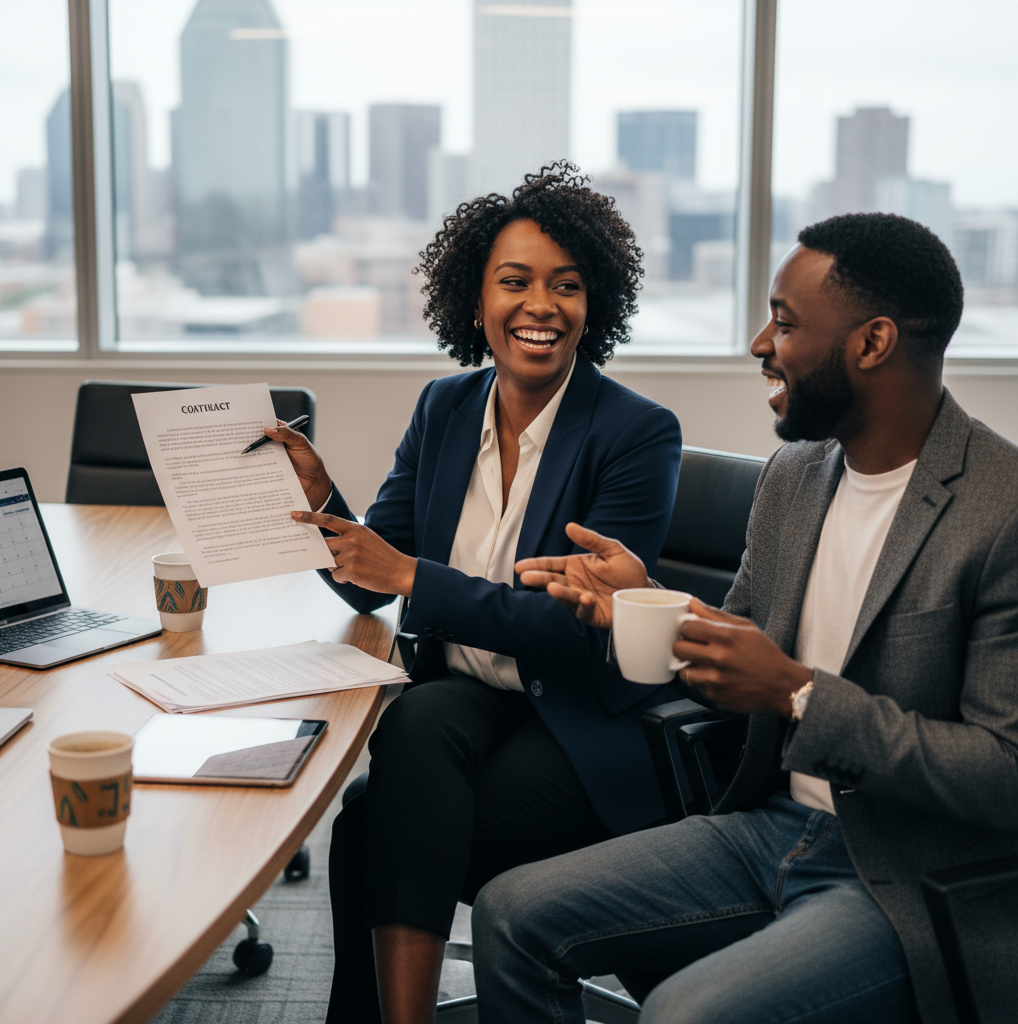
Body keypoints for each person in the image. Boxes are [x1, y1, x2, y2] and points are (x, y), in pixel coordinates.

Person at [471, 212, 1018, 1024]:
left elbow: (1004, 772)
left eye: (786, 322)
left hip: (909, 869)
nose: (761, 343)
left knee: (686, 1013)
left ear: (871, 344)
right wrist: (642, 607)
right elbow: (732, 665)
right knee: (511, 912)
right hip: (771, 826)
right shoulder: (795, 476)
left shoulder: (999, 510)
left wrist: (799, 695)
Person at [269, 163, 682, 1024]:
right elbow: (369, 582)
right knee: (412, 741)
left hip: (571, 718)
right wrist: (316, 501)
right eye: (516, 282)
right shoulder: (445, 408)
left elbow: (581, 633)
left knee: (368, 824)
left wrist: (415, 578)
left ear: (592, 304)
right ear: (475, 301)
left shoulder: (637, 433)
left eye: (566, 286)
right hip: (463, 702)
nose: (542, 305)